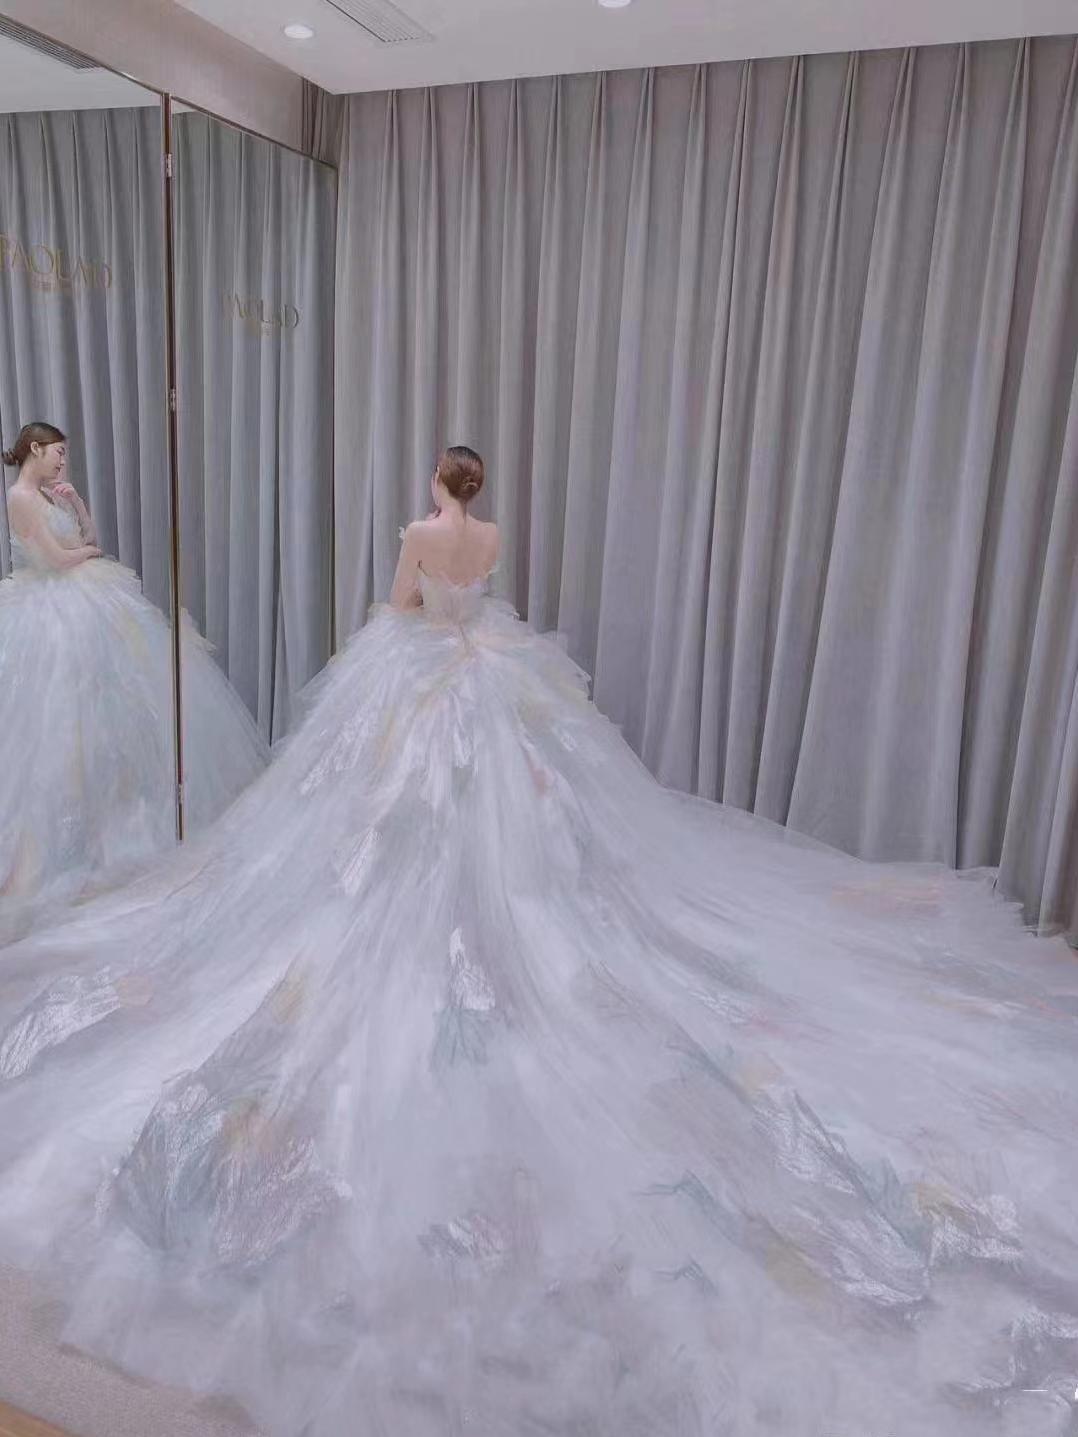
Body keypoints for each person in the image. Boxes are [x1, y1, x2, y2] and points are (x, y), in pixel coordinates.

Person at [0, 443, 1074, 1437]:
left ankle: (453, 921)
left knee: (394, 815)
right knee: (511, 821)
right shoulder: (492, 535)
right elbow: (470, 603)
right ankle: (499, 912)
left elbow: (405, 607)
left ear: (439, 484)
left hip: (427, 678)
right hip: (487, 672)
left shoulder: (422, 534)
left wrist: (408, 608)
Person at [0, 421, 267, 939]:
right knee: (56, 717)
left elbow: (88, 539)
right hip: (51, 609)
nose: (62, 461)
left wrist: (77, 505)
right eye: (58, 452)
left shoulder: (49, 496)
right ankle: (58, 844)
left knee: (116, 709)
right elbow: (56, 559)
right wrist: (87, 555)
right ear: (35, 448)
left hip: (82, 598)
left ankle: (113, 819)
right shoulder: (20, 498)